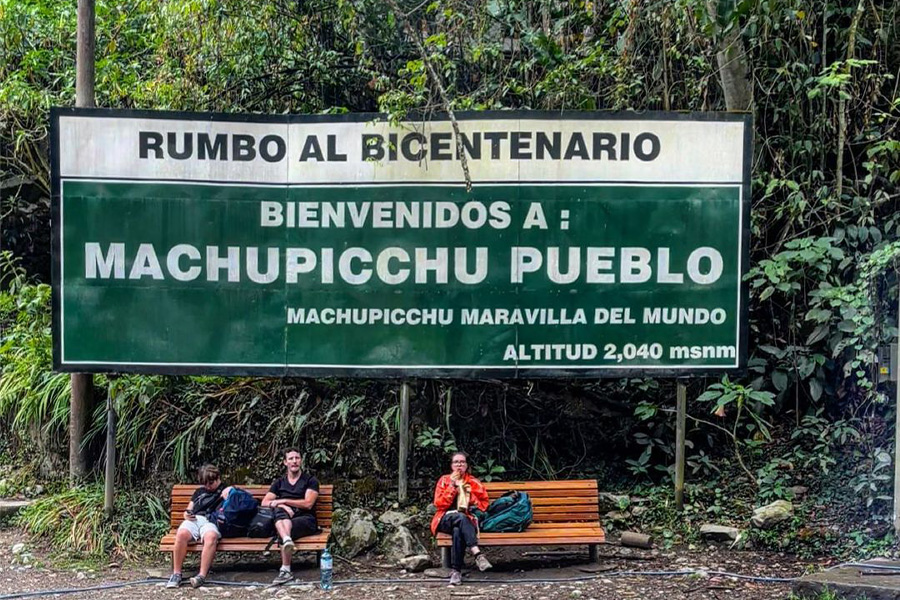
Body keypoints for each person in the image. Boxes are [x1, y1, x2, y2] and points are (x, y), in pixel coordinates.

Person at [431, 451, 492, 586]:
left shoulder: (473, 482)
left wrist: (469, 496)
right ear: (451, 465)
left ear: (467, 465)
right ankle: (477, 554)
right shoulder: (444, 480)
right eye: (456, 462)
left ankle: (456, 572)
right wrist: (452, 487)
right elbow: (439, 504)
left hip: (466, 520)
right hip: (444, 518)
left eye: (462, 462)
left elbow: (483, 505)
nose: (459, 464)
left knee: (458, 530)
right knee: (460, 517)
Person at [166, 464, 232, 589]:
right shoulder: (199, 492)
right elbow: (189, 509)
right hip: (196, 519)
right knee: (181, 534)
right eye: (205, 483)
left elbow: (234, 501)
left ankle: (201, 576)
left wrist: (230, 490)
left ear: (218, 478)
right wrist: (187, 514)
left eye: (211, 483)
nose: (208, 486)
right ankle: (176, 574)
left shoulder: (225, 489)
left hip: (212, 520)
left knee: (211, 536)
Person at [262, 448, 320, 585]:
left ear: (300, 460)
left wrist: (283, 501)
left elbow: (308, 504)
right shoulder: (279, 482)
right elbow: (265, 502)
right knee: (279, 512)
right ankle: (287, 541)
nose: (294, 461)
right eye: (291, 458)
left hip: (306, 519)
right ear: (285, 462)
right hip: (284, 518)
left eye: (297, 458)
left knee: (282, 525)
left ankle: (286, 570)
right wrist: (283, 506)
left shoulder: (310, 481)